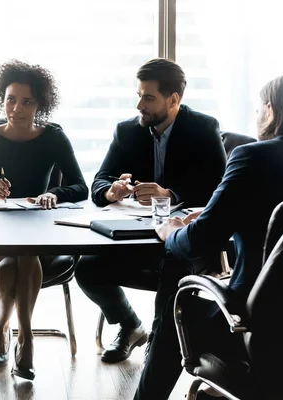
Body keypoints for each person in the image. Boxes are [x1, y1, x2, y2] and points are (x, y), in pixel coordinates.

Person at [134, 74, 283, 400]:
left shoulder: (253, 156)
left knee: (177, 315)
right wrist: (212, 214)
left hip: (259, 327)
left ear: (271, 111)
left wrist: (171, 232)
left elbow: (199, 241)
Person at [75, 58, 227, 363]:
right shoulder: (127, 131)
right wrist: (110, 190)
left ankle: (162, 347)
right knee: (86, 269)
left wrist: (171, 194)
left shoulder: (203, 128)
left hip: (184, 243)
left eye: (148, 97)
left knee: (172, 271)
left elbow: (220, 186)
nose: (139, 105)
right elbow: (99, 182)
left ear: (173, 100)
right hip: (135, 237)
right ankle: (131, 325)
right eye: (138, 95)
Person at [0, 60, 88, 380]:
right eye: (11, 99)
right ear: (2, 99)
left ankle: (8, 331)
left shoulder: (53, 136)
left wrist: (55, 193)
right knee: (16, 257)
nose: (17, 108)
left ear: (40, 104)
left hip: (38, 230)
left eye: (27, 101)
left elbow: (80, 187)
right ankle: (21, 340)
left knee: (21, 256)